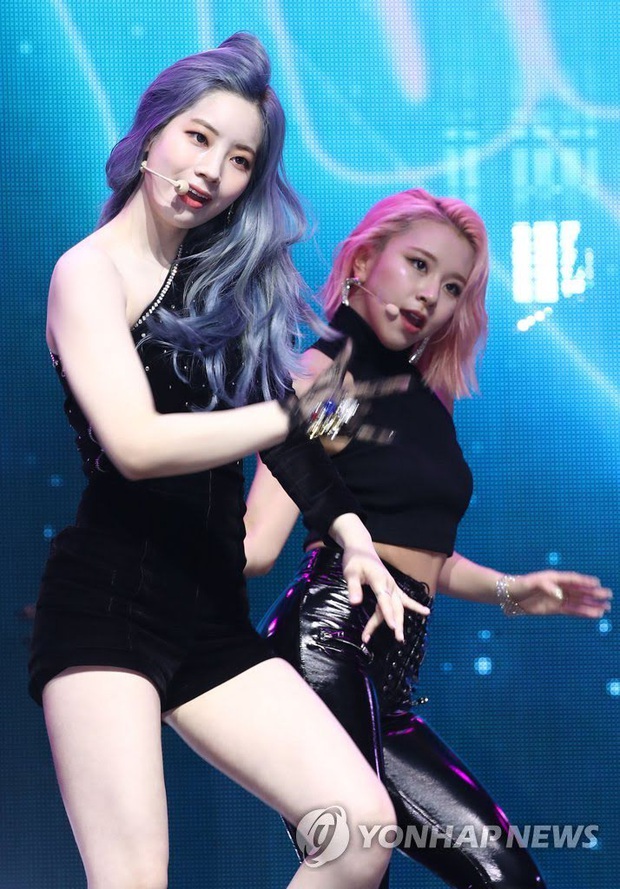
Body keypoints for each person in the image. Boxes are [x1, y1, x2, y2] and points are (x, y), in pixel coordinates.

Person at [28, 34, 435, 889]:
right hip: (109, 602)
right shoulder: (87, 274)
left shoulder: (220, 288)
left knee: (360, 830)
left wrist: (354, 536)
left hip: (210, 611)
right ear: (152, 134)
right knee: (133, 876)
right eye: (198, 137)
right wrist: (286, 412)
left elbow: (286, 437)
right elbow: (136, 444)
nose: (212, 171)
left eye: (241, 159)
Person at [244, 188, 612, 888]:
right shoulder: (329, 378)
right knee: (359, 864)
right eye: (417, 265)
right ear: (363, 260)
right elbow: (261, 538)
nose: (429, 296)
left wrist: (512, 590)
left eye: (450, 287)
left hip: (389, 681)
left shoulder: (425, 400)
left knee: (504, 874)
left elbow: (421, 558)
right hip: (327, 642)